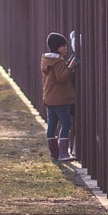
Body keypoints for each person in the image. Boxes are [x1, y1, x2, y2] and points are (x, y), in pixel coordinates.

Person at [40, 31, 78, 163]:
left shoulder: (47, 60)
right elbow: (61, 78)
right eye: (63, 46)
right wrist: (71, 67)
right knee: (66, 124)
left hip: (49, 99)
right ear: (57, 47)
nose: (66, 48)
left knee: (52, 125)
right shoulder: (58, 62)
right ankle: (63, 153)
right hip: (60, 99)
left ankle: (54, 153)